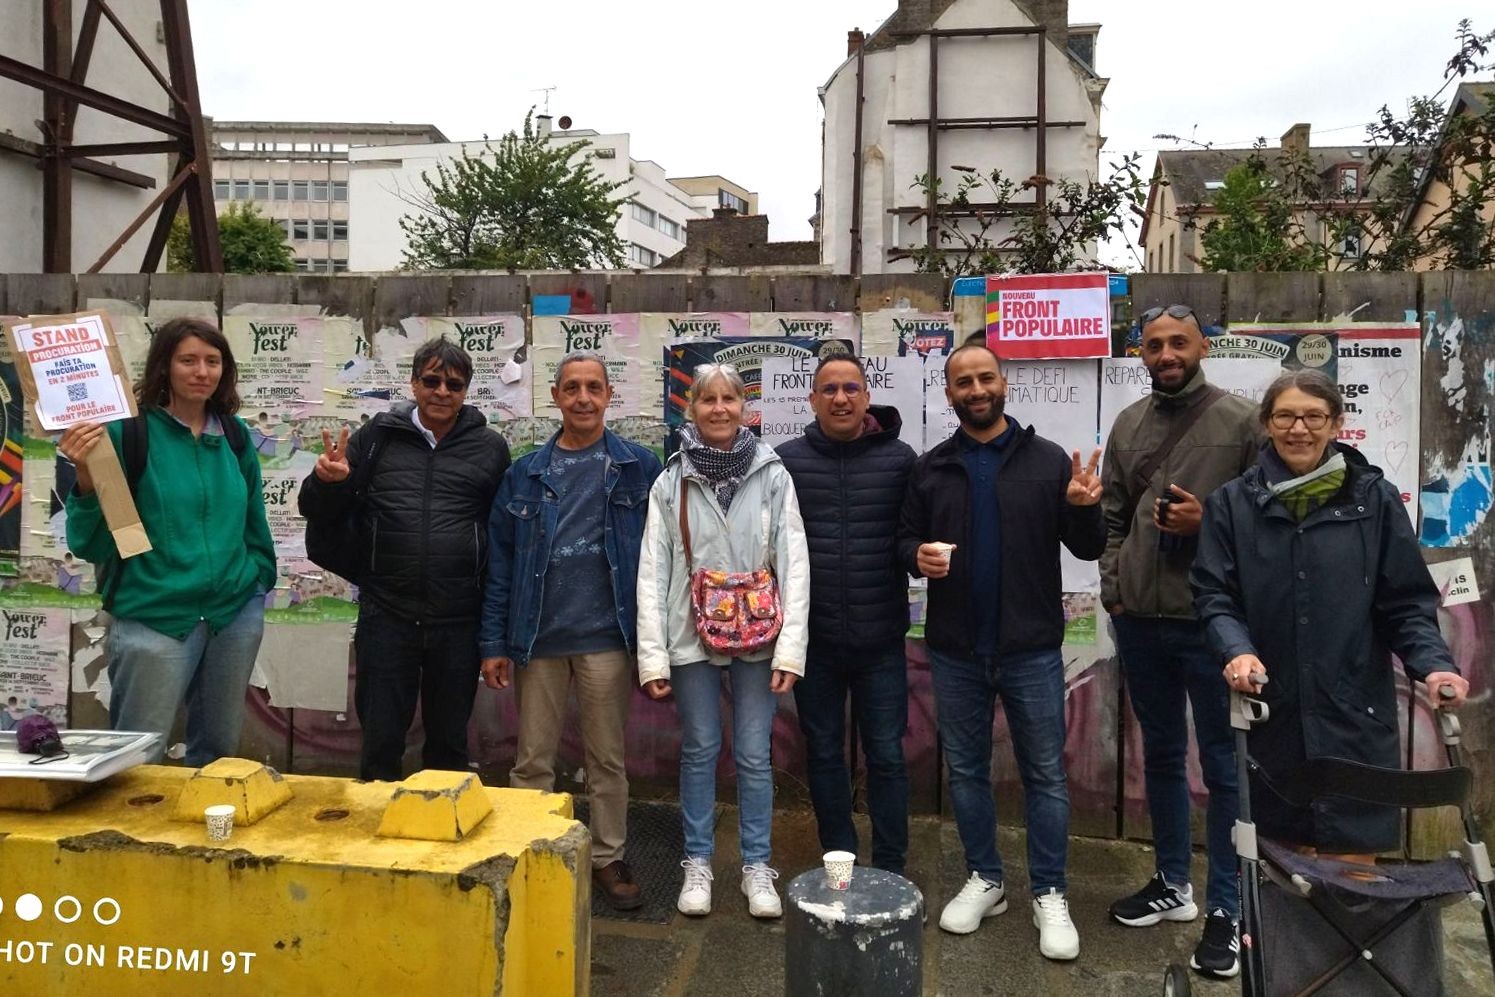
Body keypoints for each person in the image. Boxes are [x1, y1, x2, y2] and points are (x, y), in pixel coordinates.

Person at [1192, 369, 1467, 860]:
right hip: (1272, 711)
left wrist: (1434, 664)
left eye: (1314, 416)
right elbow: (1215, 597)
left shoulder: (1374, 500)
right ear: (1267, 424)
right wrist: (1237, 652)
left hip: (1353, 714)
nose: (1299, 429)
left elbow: (1405, 603)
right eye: (1285, 416)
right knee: (1282, 868)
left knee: (1352, 862)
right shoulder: (1231, 505)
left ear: (1337, 423)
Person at [898, 343, 1104, 961]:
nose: (976, 389)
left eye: (985, 377)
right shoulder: (932, 467)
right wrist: (914, 557)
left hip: (1031, 650)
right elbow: (903, 538)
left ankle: (1050, 892)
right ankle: (986, 879)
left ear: (1003, 382)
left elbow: (1089, 550)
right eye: (964, 381)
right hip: (956, 651)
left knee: (1044, 774)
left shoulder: (1046, 461)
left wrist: (1085, 511)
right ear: (950, 391)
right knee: (965, 772)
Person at [1100, 303, 1260, 979]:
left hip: (1211, 624)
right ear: (1139, 351)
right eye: (1153, 344)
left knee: (1224, 770)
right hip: (1140, 620)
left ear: (1202, 346)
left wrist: (1207, 522)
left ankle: (1227, 907)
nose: (1165, 353)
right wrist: (1114, 583)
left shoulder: (1244, 420)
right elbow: (1111, 515)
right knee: (1162, 756)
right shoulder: (1128, 423)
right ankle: (1172, 882)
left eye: (1177, 342)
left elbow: (1268, 519)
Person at [479, 352, 662, 911]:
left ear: (609, 396)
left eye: (594, 388)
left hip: (608, 639)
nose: (583, 398)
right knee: (533, 758)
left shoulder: (640, 467)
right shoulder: (525, 472)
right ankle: (529, 851)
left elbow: (664, 556)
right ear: (556, 396)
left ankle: (608, 856)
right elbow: (502, 565)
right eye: (572, 388)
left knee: (607, 758)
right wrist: (493, 643)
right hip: (538, 640)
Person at [59, 317, 275, 765]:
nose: (202, 371)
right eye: (188, 360)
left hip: (231, 616)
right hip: (153, 619)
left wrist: (257, 582)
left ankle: (209, 833)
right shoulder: (126, 435)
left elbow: (254, 519)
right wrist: (85, 476)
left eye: (212, 361)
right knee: (136, 758)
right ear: (165, 367)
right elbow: (94, 542)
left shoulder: (233, 436)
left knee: (219, 755)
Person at [636, 363, 809, 920]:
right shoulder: (671, 479)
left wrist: (791, 650)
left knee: (756, 755)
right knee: (701, 749)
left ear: (744, 407)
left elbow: (795, 562)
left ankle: (757, 866)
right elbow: (652, 568)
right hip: (690, 633)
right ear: (692, 409)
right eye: (706, 399)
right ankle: (698, 863)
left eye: (728, 399)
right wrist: (653, 654)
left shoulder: (773, 475)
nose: (718, 409)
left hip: (760, 634)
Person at [298, 338, 510, 782]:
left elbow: (501, 535)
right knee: (380, 742)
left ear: (467, 390)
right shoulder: (376, 438)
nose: (442, 391)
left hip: (458, 621)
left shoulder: (490, 447)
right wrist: (328, 482)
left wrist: (494, 629)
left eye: (454, 383)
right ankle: (375, 845)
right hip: (387, 615)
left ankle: (443, 842)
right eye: (431, 380)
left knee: (449, 746)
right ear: (413, 384)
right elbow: (318, 510)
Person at [776, 355, 916, 874]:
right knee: (825, 754)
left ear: (866, 397)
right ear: (812, 400)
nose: (840, 397)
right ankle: (840, 861)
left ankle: (891, 868)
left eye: (850, 387)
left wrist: (919, 553)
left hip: (881, 640)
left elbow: (908, 538)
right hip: (813, 642)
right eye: (829, 388)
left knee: (886, 756)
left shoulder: (900, 460)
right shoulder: (786, 461)